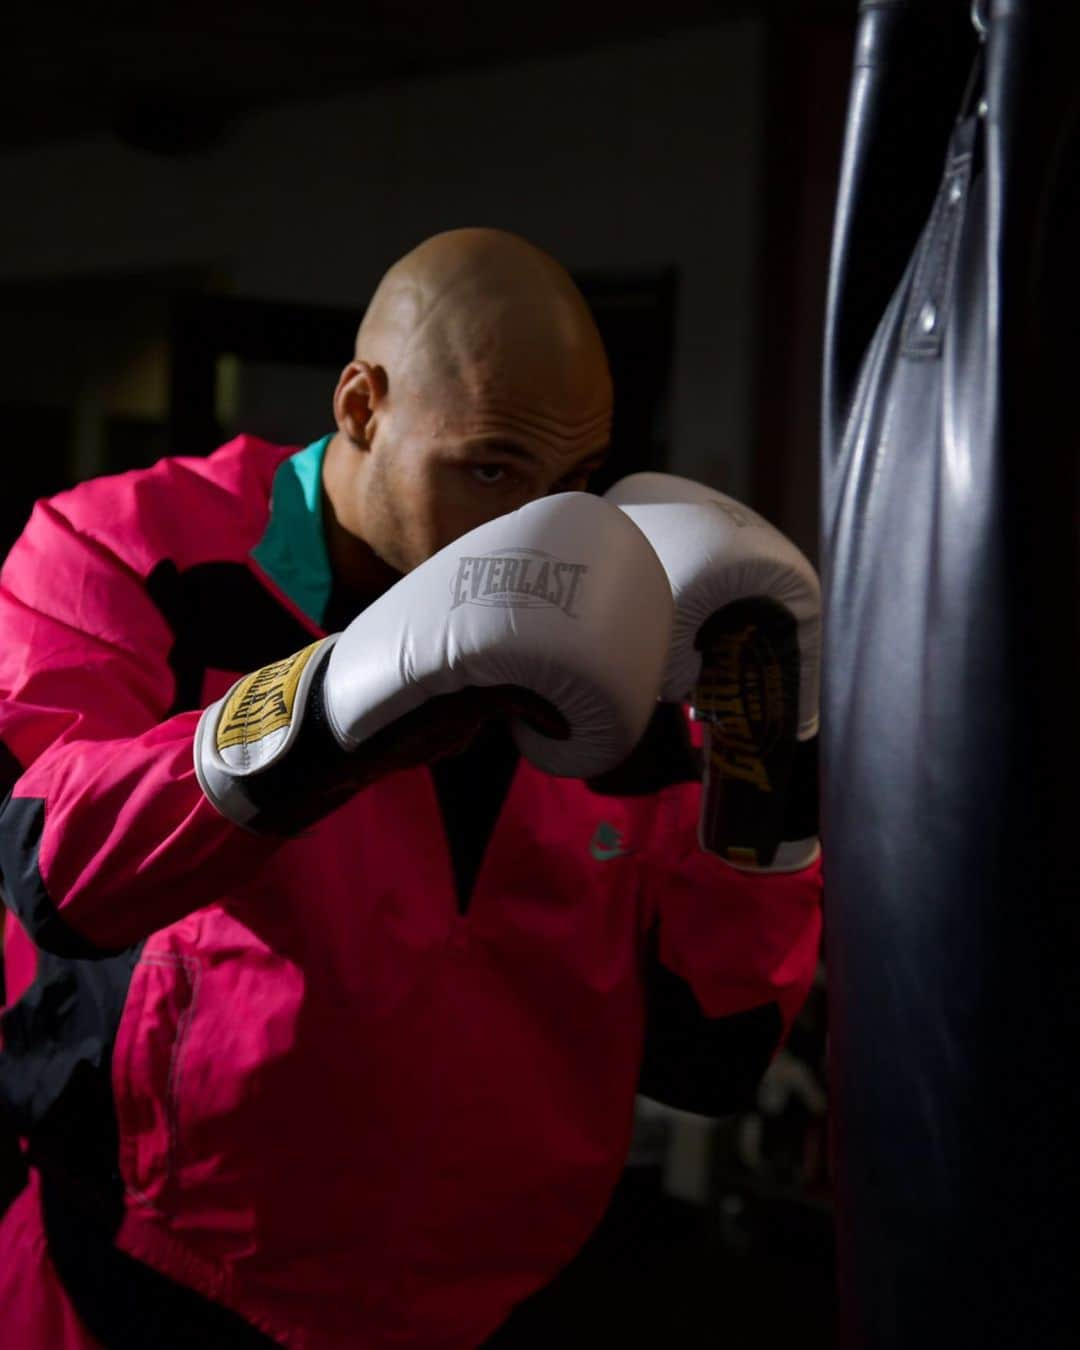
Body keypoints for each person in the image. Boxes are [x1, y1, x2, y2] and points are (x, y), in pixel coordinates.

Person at [0, 228, 823, 1349]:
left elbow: (711, 1050)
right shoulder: (129, 550)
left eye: (570, 480)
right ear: (360, 405)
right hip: (153, 1286)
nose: (534, 523)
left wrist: (763, 777)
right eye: (490, 467)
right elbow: (56, 868)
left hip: (489, 1310)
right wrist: (332, 701)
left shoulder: (623, 629)